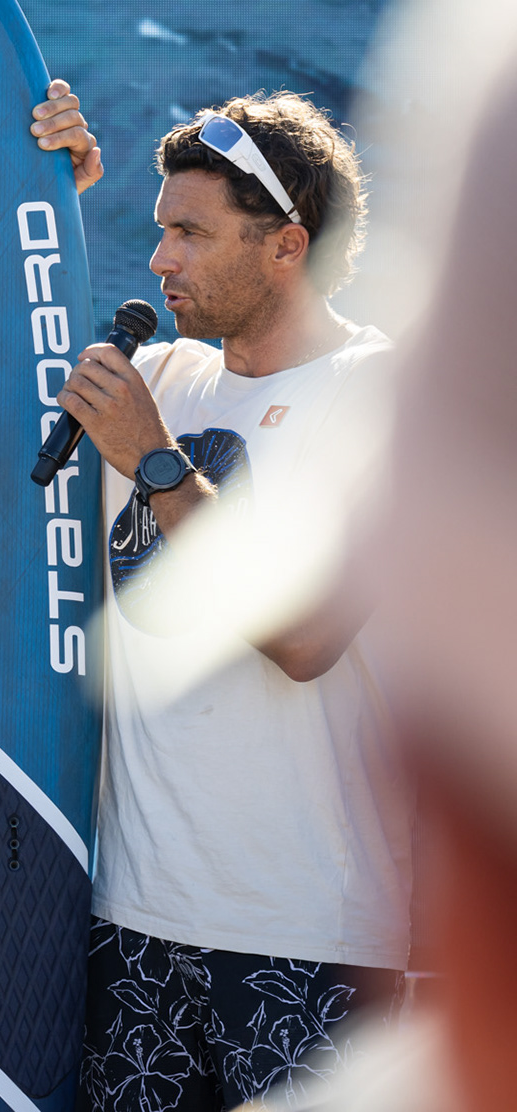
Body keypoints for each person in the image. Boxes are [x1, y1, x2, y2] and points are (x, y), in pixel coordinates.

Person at [55, 93, 411, 1110]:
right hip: (131, 922)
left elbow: (306, 637)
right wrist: (34, 187)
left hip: (309, 938)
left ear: (287, 244)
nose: (159, 259)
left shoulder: (382, 394)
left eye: (191, 234)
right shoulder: (158, 376)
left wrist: (157, 465)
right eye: (159, 229)